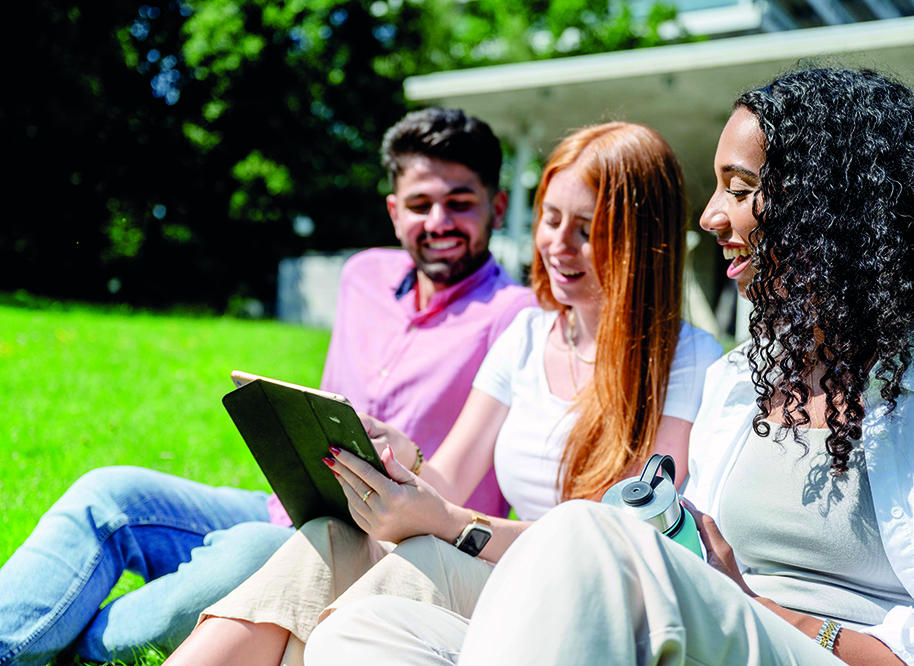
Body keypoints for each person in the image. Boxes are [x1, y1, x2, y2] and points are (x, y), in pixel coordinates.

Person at [304, 68, 914, 666]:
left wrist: (750, 603)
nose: (709, 215)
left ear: (832, 207)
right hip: (701, 625)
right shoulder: (742, 382)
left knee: (588, 535)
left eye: (738, 186)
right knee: (376, 622)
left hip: (809, 644)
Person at [162, 121, 722, 666]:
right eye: (550, 218)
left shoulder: (686, 359)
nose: (556, 244)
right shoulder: (528, 336)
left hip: (597, 605)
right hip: (508, 571)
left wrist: (454, 523)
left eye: (587, 229)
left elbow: (621, 544)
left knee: (419, 561)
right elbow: (448, 477)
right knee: (328, 536)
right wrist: (398, 459)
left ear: (641, 240)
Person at [0, 107, 532, 666]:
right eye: (421, 205)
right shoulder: (363, 277)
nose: (440, 221)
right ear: (395, 213)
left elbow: (461, 497)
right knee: (108, 493)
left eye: (461, 202)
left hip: (374, 549)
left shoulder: (516, 318)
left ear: (497, 208)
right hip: (281, 509)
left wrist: (408, 455)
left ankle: (64, 638)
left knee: (248, 559)